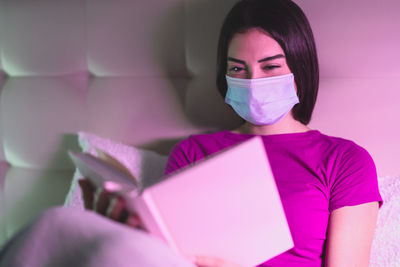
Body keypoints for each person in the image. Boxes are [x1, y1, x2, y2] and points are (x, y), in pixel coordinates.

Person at [0, 0, 382, 266]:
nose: (253, 81)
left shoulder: (344, 160)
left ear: (300, 67)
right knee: (58, 224)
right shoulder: (195, 151)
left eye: (270, 67)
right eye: (238, 69)